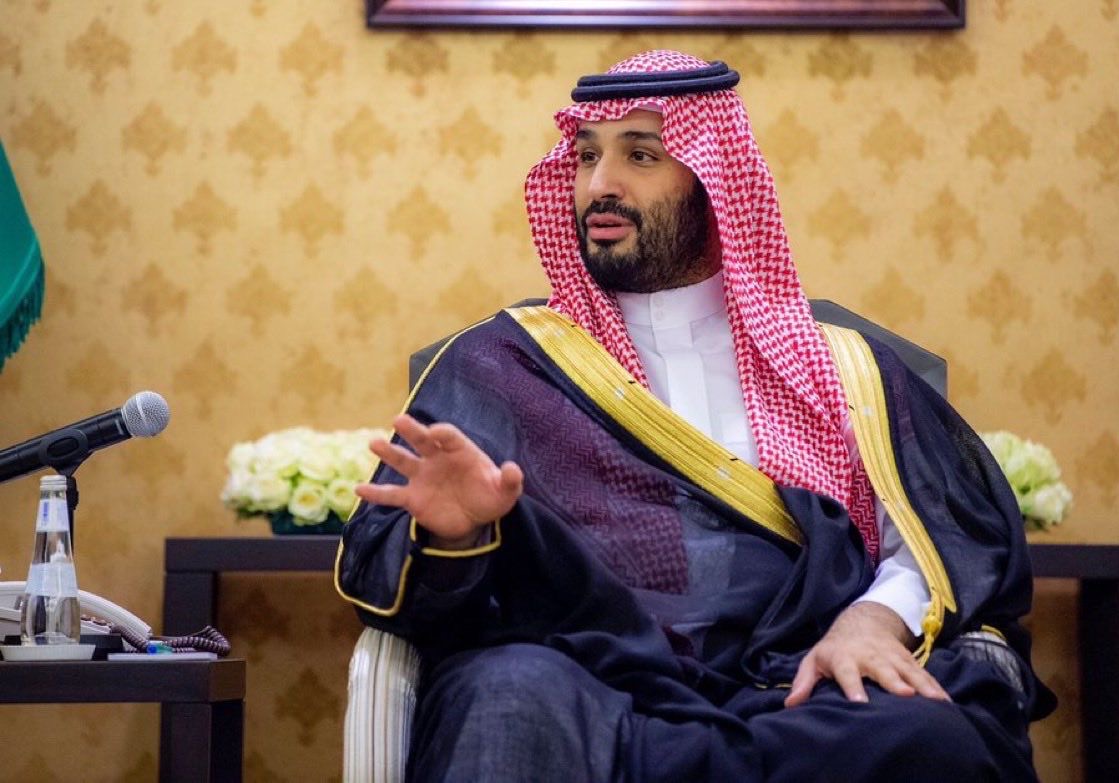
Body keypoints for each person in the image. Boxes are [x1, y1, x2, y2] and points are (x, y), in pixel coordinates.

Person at [336, 50, 1054, 782]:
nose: (599, 186)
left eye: (640, 155)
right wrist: (456, 535)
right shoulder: (504, 365)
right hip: (589, 692)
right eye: (586, 157)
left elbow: (940, 540)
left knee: (931, 735)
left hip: (794, 691)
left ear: (716, 182)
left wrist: (874, 619)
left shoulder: (841, 368)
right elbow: (408, 585)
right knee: (507, 698)